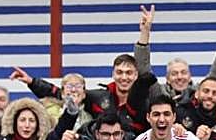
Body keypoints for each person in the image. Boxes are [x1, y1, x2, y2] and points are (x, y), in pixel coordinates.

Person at [15, 51, 155, 135]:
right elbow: (63, 93)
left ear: (136, 75)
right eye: (119, 72)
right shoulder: (98, 97)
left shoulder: (146, 103)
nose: (124, 77)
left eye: (129, 73)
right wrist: (32, 82)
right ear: (113, 74)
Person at [135, 5, 216, 108]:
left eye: (184, 72)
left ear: (190, 76)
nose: (180, 77)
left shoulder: (199, 92)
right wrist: (145, 33)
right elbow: (143, 71)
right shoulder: (158, 93)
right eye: (174, 74)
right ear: (167, 79)